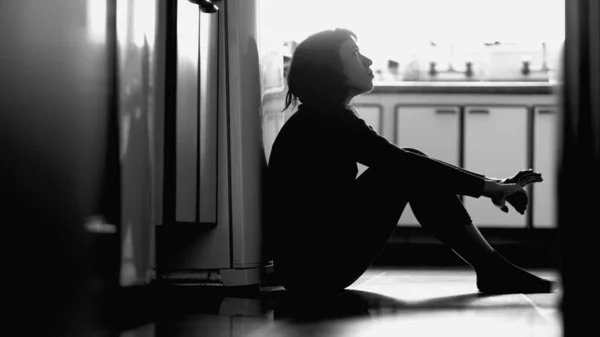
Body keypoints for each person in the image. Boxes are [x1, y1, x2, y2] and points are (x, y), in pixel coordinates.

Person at [266, 28, 554, 296]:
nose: (368, 60)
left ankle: (493, 268)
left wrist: (490, 186)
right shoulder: (326, 119)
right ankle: (493, 269)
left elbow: (403, 162)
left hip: (309, 267)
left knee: (409, 165)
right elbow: (399, 162)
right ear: (329, 69)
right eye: (354, 53)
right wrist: (489, 187)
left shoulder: (319, 117)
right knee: (405, 168)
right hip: (314, 271)